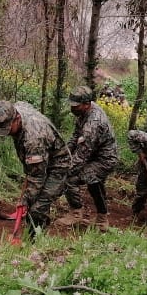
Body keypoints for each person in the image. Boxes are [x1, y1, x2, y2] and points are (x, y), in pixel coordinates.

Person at [0, 100, 71, 238]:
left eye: (8, 128)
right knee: (33, 199)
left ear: (17, 119)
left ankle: (34, 239)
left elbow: (37, 177)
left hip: (58, 166)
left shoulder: (34, 139)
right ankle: (37, 227)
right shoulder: (14, 110)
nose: (7, 133)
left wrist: (25, 200)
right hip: (40, 161)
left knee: (37, 207)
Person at [57, 86, 118, 229]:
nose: (72, 109)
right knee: (94, 184)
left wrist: (63, 169)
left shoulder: (93, 124)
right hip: (93, 155)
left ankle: (76, 214)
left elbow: (81, 157)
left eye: (76, 106)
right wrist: (64, 153)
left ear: (86, 104)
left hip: (104, 160)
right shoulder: (84, 112)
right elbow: (75, 136)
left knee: (70, 178)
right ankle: (102, 219)